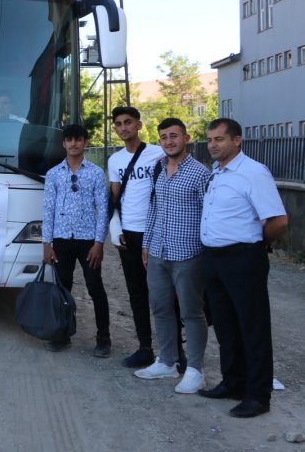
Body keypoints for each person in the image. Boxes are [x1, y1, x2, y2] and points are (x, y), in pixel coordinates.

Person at [198, 118, 288, 418]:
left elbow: (278, 220)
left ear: (237, 140)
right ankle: (233, 382)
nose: (212, 145)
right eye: (210, 139)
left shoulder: (253, 172)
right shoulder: (217, 171)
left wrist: (255, 244)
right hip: (214, 258)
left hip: (243, 258)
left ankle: (258, 395)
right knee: (225, 326)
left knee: (252, 327)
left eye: (219, 139)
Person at [136, 118, 210, 393]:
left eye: (174, 136)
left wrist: (207, 253)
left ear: (186, 138)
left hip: (188, 254)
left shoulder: (200, 174)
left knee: (191, 312)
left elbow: (208, 214)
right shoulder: (158, 168)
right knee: (161, 308)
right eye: (164, 137)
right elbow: (153, 208)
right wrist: (146, 244)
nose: (169, 141)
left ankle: (195, 370)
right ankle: (168, 362)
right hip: (158, 251)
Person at [41, 124, 111, 356]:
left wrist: (99, 243)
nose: (73, 144)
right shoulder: (53, 174)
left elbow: (103, 209)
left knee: (95, 288)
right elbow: (48, 209)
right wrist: (47, 243)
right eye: (69, 139)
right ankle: (62, 335)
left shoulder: (96, 173)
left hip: (88, 240)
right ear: (63, 143)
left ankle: (103, 338)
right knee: (63, 289)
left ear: (85, 142)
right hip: (61, 239)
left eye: (78, 139)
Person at [107, 106, 165, 368]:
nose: (123, 128)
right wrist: (116, 229)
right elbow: (115, 198)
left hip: (155, 232)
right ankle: (145, 348)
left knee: (164, 293)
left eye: (128, 122)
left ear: (139, 125)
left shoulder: (158, 153)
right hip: (128, 235)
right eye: (118, 124)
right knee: (136, 293)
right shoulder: (115, 160)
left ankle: (175, 351)